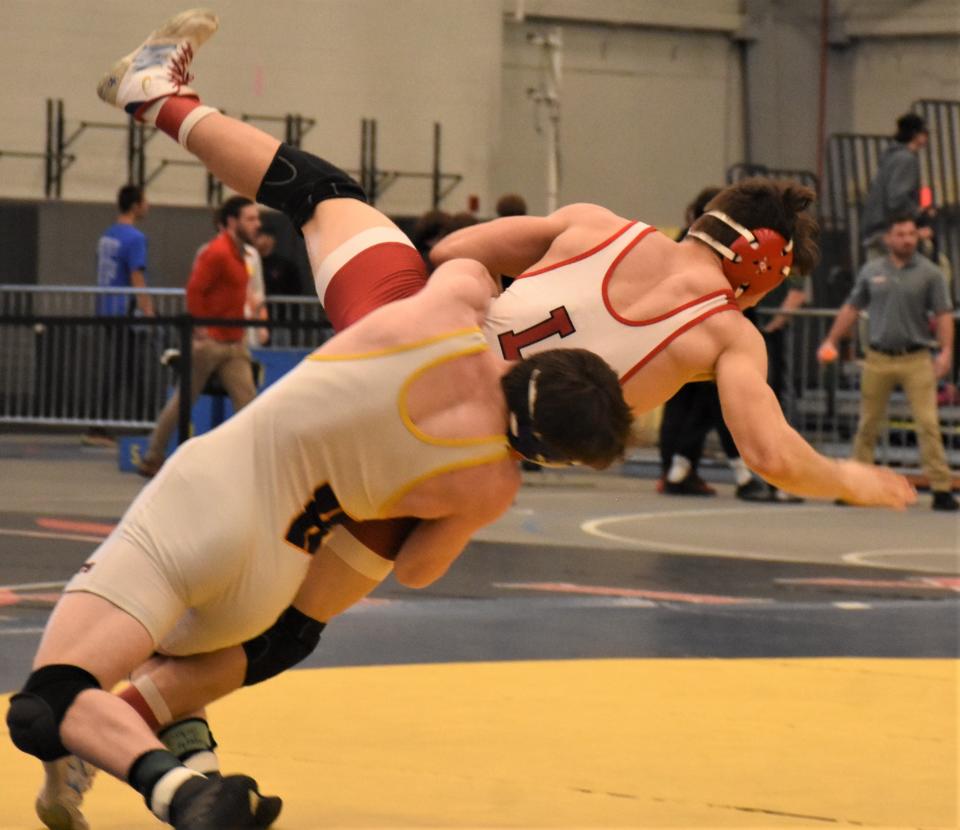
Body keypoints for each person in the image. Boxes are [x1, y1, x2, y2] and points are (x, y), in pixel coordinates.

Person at [36, 9, 917, 825]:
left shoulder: (596, 223)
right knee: (286, 630)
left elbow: (454, 252)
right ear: (763, 274)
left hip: (409, 341)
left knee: (321, 194)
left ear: (710, 219)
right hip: (446, 468)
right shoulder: (725, 334)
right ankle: (137, 718)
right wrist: (853, 479)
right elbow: (769, 452)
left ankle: (160, 97)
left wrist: (490, 313)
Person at [8, 232, 632, 829]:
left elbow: (463, 255)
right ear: (553, 452)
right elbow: (416, 570)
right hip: (268, 580)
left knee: (50, 698)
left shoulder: (448, 311)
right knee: (173, 660)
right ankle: (198, 772)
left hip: (205, 500)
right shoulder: (492, 487)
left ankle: (179, 794)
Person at [818, 215, 957, 511]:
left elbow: (944, 314)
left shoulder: (930, 273)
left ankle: (941, 488)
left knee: (928, 424)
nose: (907, 239)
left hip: (916, 357)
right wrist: (831, 340)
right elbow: (852, 307)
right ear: (888, 239)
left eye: (911, 234)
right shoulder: (872, 271)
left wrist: (946, 351)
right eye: (901, 234)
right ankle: (856, 486)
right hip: (878, 357)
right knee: (867, 424)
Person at [137, 196, 262, 477]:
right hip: (212, 344)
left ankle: (254, 464)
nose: (257, 224)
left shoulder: (242, 254)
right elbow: (194, 290)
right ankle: (153, 455)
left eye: (257, 218)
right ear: (232, 222)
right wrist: (201, 330)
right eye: (251, 219)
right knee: (183, 400)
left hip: (234, 343)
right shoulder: (216, 252)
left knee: (249, 404)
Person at [656, 186, 768, 501]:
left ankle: (678, 469)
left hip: (690, 333)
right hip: (708, 333)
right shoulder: (724, 250)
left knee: (697, 406)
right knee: (714, 405)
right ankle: (741, 475)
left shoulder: (685, 242)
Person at [84, 184, 155, 447]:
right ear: (136, 205)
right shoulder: (135, 238)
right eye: (145, 201)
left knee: (128, 368)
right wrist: (147, 308)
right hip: (124, 311)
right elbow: (136, 275)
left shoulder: (107, 235)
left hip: (106, 308)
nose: (148, 206)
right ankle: (101, 426)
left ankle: (146, 423)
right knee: (125, 369)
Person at [861, 113, 932, 260]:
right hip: (889, 232)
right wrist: (918, 212)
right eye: (924, 133)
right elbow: (897, 199)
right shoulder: (906, 159)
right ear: (916, 134)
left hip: (876, 230)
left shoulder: (890, 157)